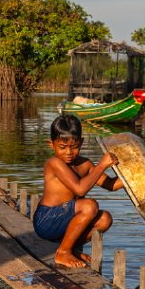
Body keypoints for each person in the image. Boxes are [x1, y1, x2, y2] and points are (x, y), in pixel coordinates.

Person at [33, 114, 123, 268]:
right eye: (62, 147)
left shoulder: (85, 164)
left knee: (105, 219)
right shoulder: (54, 163)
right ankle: (63, 252)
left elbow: (110, 185)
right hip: (47, 220)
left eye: (74, 147)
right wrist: (102, 165)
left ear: (81, 143)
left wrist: (134, 178)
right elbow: (80, 188)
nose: (68, 152)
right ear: (51, 144)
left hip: (66, 220)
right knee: (89, 206)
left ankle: (70, 247)